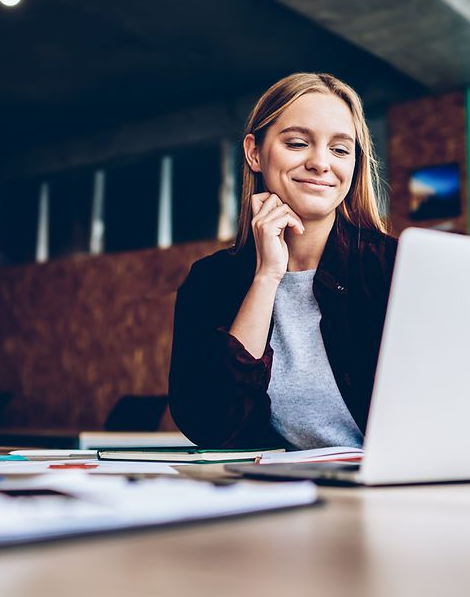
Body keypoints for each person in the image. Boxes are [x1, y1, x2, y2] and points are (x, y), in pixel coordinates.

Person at [168, 72, 397, 450]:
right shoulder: (212, 280)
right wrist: (267, 276)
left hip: (396, 494)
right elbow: (212, 425)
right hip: (280, 495)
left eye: (340, 149)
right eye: (297, 143)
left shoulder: (393, 268)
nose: (321, 163)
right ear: (254, 153)